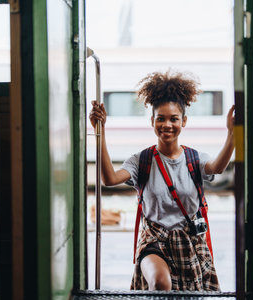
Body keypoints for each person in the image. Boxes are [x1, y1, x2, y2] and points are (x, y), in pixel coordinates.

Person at [89, 70, 235, 291]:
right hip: (154, 241)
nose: (167, 124)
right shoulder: (142, 160)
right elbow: (109, 178)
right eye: (161, 118)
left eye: (174, 118)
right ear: (152, 121)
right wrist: (100, 130)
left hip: (189, 243)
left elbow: (218, 167)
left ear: (184, 121)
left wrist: (233, 135)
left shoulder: (195, 159)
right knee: (160, 283)